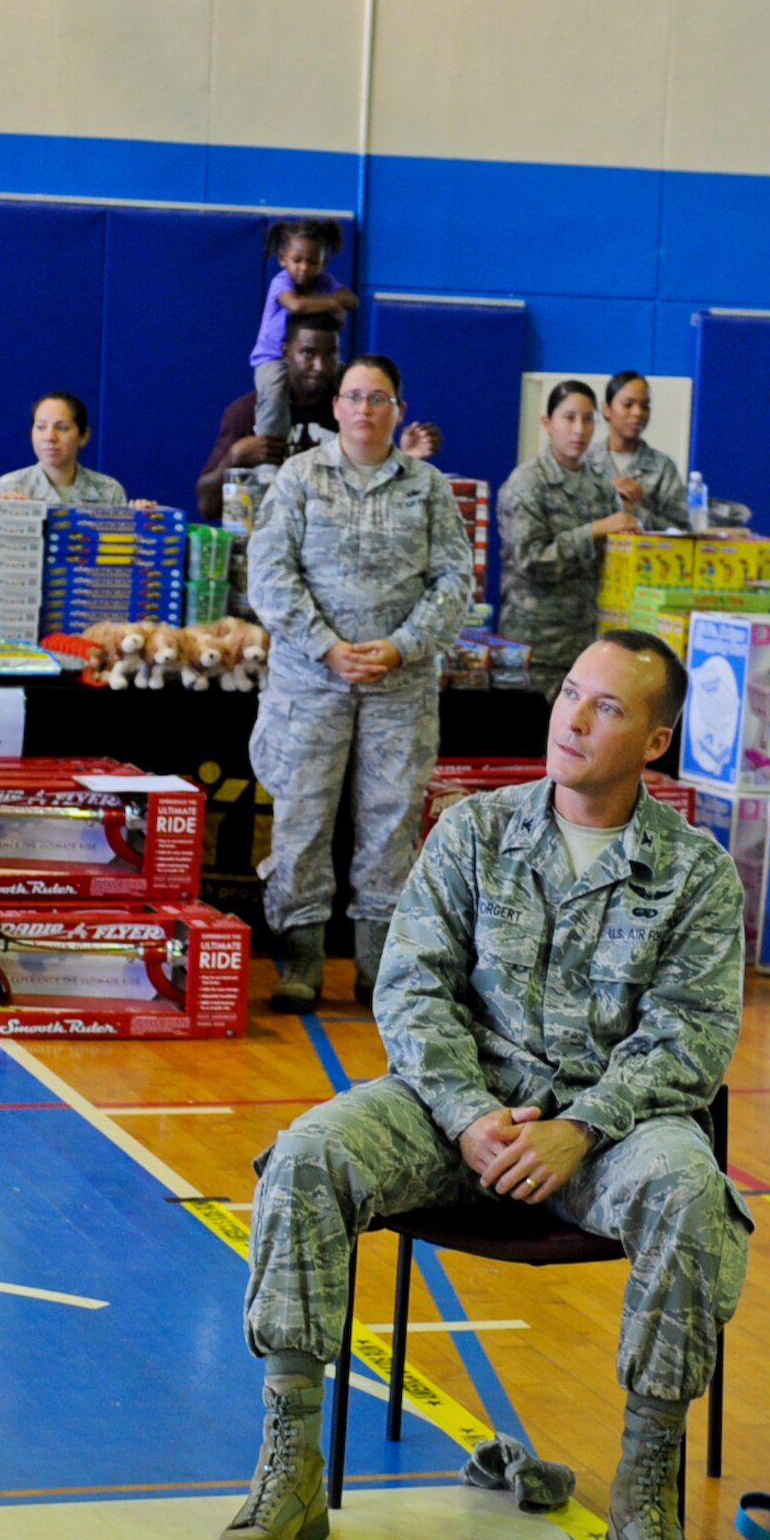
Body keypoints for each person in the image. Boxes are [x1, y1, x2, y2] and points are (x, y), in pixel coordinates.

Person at [211, 631, 749, 1540]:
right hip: (452, 1111)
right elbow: (412, 992)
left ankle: (642, 1494)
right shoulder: (473, 830)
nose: (573, 719)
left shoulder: (695, 874)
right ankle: (288, 1469)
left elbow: (690, 1039)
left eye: (607, 708)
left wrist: (579, 1128)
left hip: (608, 1135)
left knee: (686, 1188)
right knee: (305, 1155)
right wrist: (465, 1119)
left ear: (656, 742)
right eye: (569, 694)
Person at [247, 354, 473, 1014]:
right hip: (310, 683)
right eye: (354, 396)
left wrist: (402, 647)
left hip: (398, 688)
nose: (365, 409)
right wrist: (327, 645)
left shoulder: (428, 487)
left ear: (398, 409)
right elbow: (270, 575)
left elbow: (455, 581)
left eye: (379, 398)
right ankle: (303, 960)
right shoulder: (298, 477)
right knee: (301, 819)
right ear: (336, 408)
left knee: (390, 824)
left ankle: (377, 966)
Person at [195, 316, 442, 521]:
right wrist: (235, 457)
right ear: (286, 353)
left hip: (330, 554)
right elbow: (207, 506)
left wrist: (406, 457)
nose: (321, 366)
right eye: (308, 353)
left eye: (331, 355)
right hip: (258, 556)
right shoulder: (248, 412)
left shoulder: (349, 412)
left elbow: (377, 495)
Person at [497, 380, 634, 698]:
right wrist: (595, 530)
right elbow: (531, 561)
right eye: (569, 418)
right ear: (547, 423)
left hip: (588, 646)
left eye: (588, 419)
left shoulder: (600, 485)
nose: (579, 430)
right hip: (537, 651)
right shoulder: (527, 483)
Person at [247, 218, 357, 440]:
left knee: (351, 378)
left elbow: (352, 300)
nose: (304, 268)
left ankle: (353, 436)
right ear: (283, 259)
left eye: (313, 262)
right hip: (273, 357)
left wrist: (335, 299)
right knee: (275, 393)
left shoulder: (325, 282)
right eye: (297, 260)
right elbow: (295, 305)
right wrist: (332, 304)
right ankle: (269, 442)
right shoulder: (282, 281)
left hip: (309, 355)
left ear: (323, 263)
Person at [587, 370, 686, 535]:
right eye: (628, 404)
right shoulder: (585, 462)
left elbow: (681, 532)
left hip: (644, 559)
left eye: (645, 406)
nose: (638, 413)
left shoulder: (663, 468)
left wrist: (636, 511)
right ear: (607, 409)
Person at [0, 392, 126, 505]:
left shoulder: (109, 490)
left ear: (84, 436)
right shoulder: (8, 487)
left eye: (62, 428)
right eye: (41, 427)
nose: (49, 437)